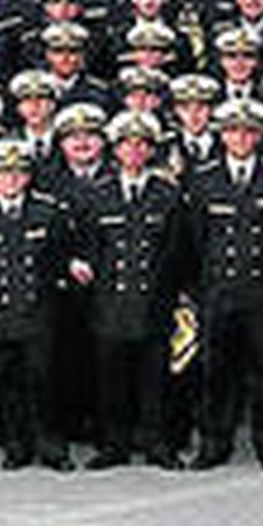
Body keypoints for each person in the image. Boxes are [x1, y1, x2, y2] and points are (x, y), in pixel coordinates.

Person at [0, 139, 84, 471]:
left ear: (28, 177)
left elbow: (61, 257)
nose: (11, 180)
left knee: (43, 380)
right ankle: (16, 445)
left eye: (18, 173)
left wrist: (72, 266)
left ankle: (50, 444)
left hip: (38, 313)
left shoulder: (47, 211)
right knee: (4, 381)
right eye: (3, 174)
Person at [185, 98, 263, 472]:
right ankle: (214, 443)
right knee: (216, 372)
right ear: (222, 135)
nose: (241, 138)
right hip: (219, 291)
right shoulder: (203, 177)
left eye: (249, 131)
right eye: (233, 131)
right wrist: (203, 288)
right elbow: (196, 239)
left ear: (260, 135)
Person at [77, 111, 185, 470]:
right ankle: (114, 446)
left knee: (156, 379)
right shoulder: (98, 194)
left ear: (151, 150)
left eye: (141, 145)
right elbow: (90, 250)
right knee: (112, 380)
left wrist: (173, 297)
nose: (134, 151)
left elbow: (175, 252)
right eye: (126, 145)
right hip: (110, 303)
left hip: (153, 301)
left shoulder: (167, 194)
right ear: (115, 150)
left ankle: (157, 444)